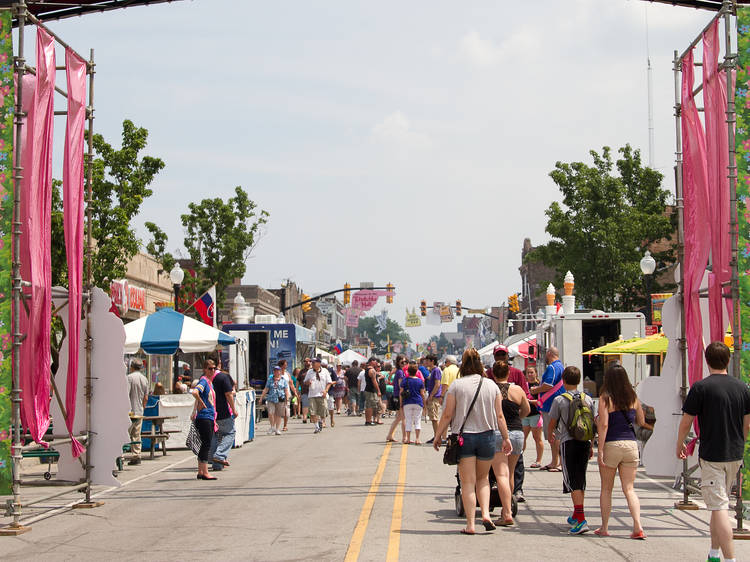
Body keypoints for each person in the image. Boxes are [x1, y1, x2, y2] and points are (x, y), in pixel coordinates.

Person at [676, 342, 750, 562]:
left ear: (707, 361)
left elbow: (686, 422)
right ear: (728, 360)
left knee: (719, 508)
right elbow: (747, 424)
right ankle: (714, 553)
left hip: (712, 455)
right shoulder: (742, 388)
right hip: (734, 454)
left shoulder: (700, 387)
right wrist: (741, 443)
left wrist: (680, 443)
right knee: (719, 504)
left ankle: (730, 559)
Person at [432, 348, 512, 535]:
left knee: (467, 482)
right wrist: (506, 437)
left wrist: (438, 436)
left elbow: (447, 414)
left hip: (464, 437)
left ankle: (471, 524)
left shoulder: (457, 385)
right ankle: (485, 514)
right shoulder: (491, 385)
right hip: (488, 436)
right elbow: (499, 415)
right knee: (483, 479)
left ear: (463, 364)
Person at [596, 364, 653, 538]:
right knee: (629, 489)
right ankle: (637, 526)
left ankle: (605, 527)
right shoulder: (633, 397)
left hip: (612, 444)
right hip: (630, 444)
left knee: (606, 489)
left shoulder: (605, 398)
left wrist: (600, 450)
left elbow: (604, 424)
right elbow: (641, 421)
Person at [547, 365, 594, 535]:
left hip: (568, 442)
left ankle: (581, 519)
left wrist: (550, 435)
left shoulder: (560, 400)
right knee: (580, 478)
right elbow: (593, 423)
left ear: (563, 381)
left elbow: (552, 423)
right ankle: (576, 514)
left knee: (572, 479)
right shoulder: (587, 399)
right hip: (585, 442)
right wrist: (592, 443)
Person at [489, 360, 530, 525]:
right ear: (508, 373)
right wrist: (517, 419)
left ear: (493, 374)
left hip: (498, 433)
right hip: (517, 433)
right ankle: (508, 506)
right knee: (510, 473)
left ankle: (506, 512)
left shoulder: (491, 390)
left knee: (500, 474)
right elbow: (527, 409)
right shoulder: (518, 390)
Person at [531, 347, 565, 471]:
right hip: (553, 404)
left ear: (550, 354)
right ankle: (554, 461)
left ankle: (559, 463)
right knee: (554, 435)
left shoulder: (552, 367)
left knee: (555, 434)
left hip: (551, 404)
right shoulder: (560, 366)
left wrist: (535, 390)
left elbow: (548, 385)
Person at [191, 360, 218, 480]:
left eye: (214, 368)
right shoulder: (204, 381)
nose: (212, 370)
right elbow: (195, 392)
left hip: (208, 416)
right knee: (206, 444)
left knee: (204, 444)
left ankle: (201, 471)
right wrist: (201, 403)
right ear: (205, 369)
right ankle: (205, 471)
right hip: (205, 417)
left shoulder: (209, 382)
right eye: (210, 368)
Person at [209, 361, 237, 471]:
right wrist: (234, 409)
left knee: (214, 436)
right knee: (230, 433)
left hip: (210, 412)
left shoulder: (204, 378)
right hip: (223, 412)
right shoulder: (223, 377)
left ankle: (216, 463)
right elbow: (229, 394)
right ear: (218, 365)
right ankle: (219, 456)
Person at [126, 360, 149, 466]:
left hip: (129, 411)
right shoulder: (144, 379)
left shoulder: (129, 378)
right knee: (136, 434)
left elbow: (126, 394)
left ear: (132, 367)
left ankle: (120, 455)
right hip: (140, 410)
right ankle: (136, 455)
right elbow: (146, 397)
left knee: (125, 433)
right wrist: (143, 407)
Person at [521, 365, 544, 469]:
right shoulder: (524, 385)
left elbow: (542, 401)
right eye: (528, 373)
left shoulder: (540, 385)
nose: (530, 375)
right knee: (522, 438)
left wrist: (530, 401)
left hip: (536, 414)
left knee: (537, 438)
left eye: (532, 372)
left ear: (536, 373)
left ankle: (538, 460)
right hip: (525, 415)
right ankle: (519, 457)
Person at [304, 358, 333, 433]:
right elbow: (305, 382)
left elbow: (329, 382)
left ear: (319, 363)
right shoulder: (309, 372)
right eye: (312, 363)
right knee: (313, 412)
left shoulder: (325, 371)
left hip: (322, 394)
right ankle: (317, 427)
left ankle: (320, 420)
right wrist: (308, 382)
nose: (312, 364)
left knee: (323, 411)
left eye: (314, 362)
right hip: (312, 395)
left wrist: (326, 391)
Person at [400, 363, 427, 444]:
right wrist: (424, 404)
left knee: (408, 420)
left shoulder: (405, 380)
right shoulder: (420, 381)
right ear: (416, 371)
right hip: (418, 402)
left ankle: (408, 439)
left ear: (408, 371)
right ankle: (417, 439)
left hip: (407, 402)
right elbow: (422, 393)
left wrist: (401, 403)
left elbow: (401, 392)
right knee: (417, 420)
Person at [260, 365, 291, 435]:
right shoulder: (270, 380)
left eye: (277, 371)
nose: (276, 372)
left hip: (280, 398)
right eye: (275, 371)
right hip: (271, 398)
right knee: (271, 413)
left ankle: (277, 429)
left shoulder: (283, 380)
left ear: (280, 372)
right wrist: (262, 397)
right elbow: (266, 389)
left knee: (278, 414)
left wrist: (287, 398)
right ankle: (272, 427)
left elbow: (286, 390)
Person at [386, 355, 407, 441]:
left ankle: (390, 435)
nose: (404, 363)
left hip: (397, 395)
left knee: (398, 418)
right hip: (399, 396)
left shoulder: (398, 371)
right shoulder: (400, 372)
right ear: (398, 362)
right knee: (403, 417)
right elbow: (400, 385)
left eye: (405, 362)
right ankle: (405, 437)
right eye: (402, 362)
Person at [424, 354, 442, 444]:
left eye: (427, 360)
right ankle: (436, 435)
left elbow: (437, 384)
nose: (425, 362)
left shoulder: (436, 370)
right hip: (433, 396)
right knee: (433, 418)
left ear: (432, 361)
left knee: (434, 418)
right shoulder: (433, 370)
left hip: (434, 397)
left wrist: (431, 395)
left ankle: (438, 437)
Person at [363, 357, 382, 426]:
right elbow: (374, 381)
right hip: (371, 390)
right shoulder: (371, 370)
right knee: (370, 406)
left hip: (368, 390)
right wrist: (378, 391)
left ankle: (368, 420)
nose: (376, 362)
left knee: (369, 405)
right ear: (371, 361)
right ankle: (369, 421)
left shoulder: (368, 369)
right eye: (375, 361)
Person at [278, 359, 296, 432]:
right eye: (285, 364)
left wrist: (295, 392)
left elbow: (291, 384)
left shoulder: (287, 374)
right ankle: (277, 426)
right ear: (281, 365)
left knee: (286, 411)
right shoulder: (276, 374)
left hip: (287, 395)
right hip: (278, 394)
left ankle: (285, 425)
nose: (286, 366)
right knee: (278, 411)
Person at [300, 358, 312, 423]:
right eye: (305, 361)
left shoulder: (313, 370)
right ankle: (304, 417)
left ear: (310, 362)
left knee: (312, 405)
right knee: (305, 404)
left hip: (312, 390)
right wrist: (297, 390)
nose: (306, 363)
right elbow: (298, 381)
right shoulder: (302, 371)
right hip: (304, 390)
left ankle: (311, 417)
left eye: (308, 361)